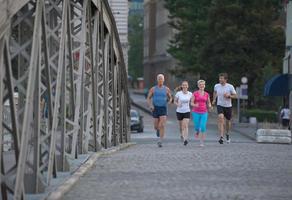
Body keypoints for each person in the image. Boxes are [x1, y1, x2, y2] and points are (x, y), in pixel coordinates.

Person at [147, 74, 172, 147]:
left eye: (162, 79)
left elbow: (170, 97)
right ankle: (157, 130)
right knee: (156, 126)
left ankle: (160, 141)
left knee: (162, 125)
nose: (160, 80)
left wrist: (170, 101)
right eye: (159, 79)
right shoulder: (153, 89)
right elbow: (148, 98)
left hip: (163, 108)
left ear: (163, 80)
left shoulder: (166, 89)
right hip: (155, 108)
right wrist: (150, 105)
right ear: (157, 80)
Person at [212, 73, 237, 144]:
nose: (220, 80)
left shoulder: (230, 86)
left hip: (228, 106)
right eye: (219, 78)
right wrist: (214, 99)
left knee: (228, 122)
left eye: (222, 78)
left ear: (225, 79)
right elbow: (215, 92)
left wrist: (229, 96)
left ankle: (227, 133)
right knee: (221, 118)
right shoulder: (216, 86)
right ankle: (221, 137)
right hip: (220, 105)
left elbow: (235, 96)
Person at [191, 80, 212, 147]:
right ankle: (197, 131)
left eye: (203, 84)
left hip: (204, 112)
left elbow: (209, 103)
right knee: (197, 127)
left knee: (203, 127)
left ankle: (201, 142)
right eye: (200, 84)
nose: (201, 86)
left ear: (204, 85)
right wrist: (195, 105)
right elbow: (191, 103)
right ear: (198, 85)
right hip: (196, 112)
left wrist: (210, 106)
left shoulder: (206, 94)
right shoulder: (195, 93)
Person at [174, 81, 192, 145]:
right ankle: (181, 134)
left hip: (187, 111)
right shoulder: (178, 93)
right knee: (181, 126)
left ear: (188, 86)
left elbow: (192, 102)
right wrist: (178, 104)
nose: (184, 86)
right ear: (182, 86)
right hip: (179, 111)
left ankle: (185, 139)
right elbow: (175, 101)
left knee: (185, 125)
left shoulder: (190, 94)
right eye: (183, 85)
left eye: (186, 85)